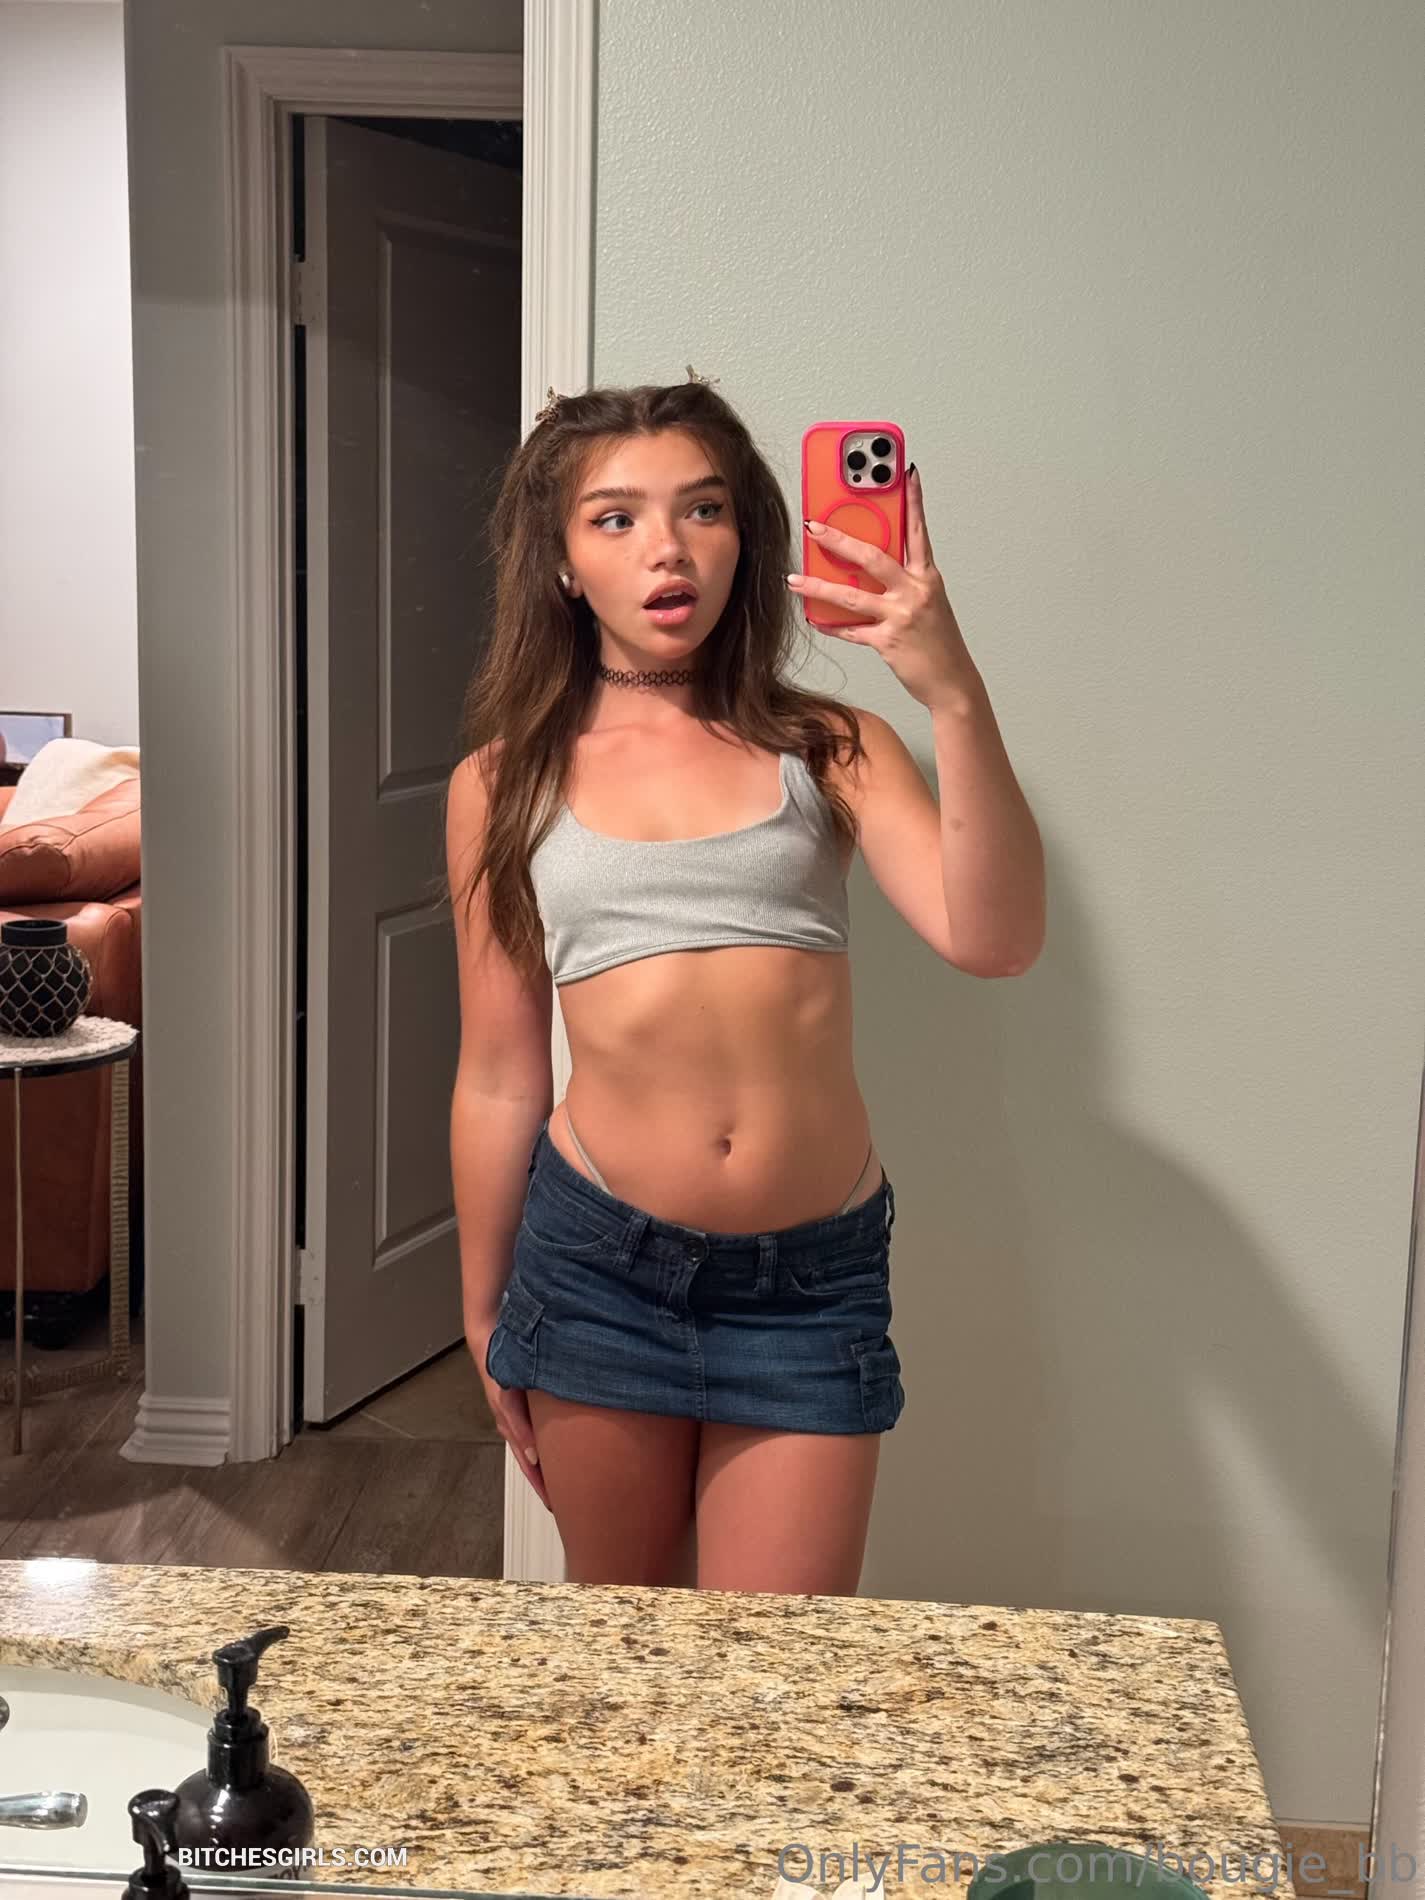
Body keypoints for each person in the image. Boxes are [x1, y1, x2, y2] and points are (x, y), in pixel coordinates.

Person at [445, 374, 1045, 1594]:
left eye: (702, 509)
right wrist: (483, 1303)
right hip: (595, 1269)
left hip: (807, 1287)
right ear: (562, 563)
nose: (667, 547)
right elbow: (501, 1073)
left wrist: (950, 687)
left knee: (778, 1680)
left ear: (745, 536)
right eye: (615, 518)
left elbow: (996, 939)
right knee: (628, 1660)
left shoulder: (831, 746)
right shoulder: (502, 781)